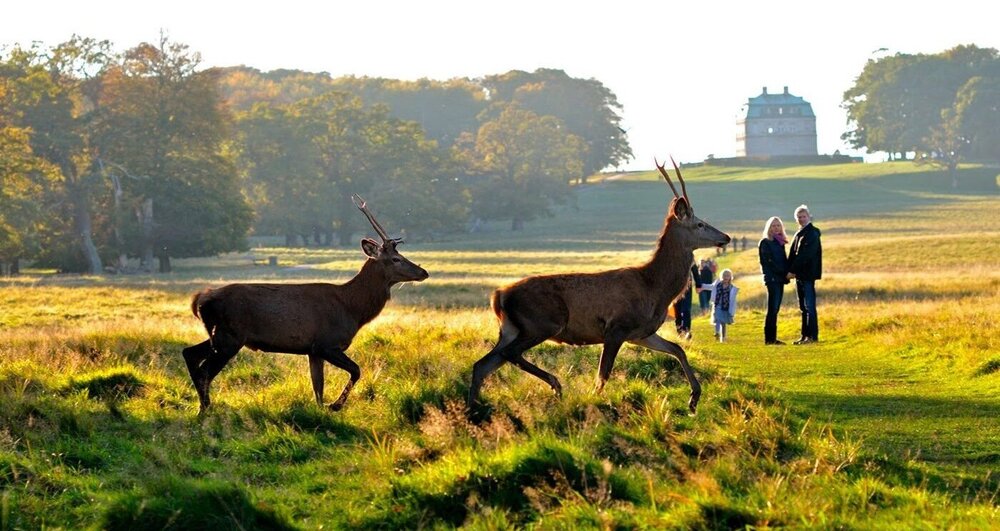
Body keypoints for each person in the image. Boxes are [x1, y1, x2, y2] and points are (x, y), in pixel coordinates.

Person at [787, 204, 822, 344]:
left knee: (809, 306)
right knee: (803, 307)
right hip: (800, 275)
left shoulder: (812, 233)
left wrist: (792, 270)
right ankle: (805, 336)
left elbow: (804, 255)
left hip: (807, 275)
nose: (801, 219)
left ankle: (812, 336)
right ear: (796, 219)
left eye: (804, 216)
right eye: (799, 217)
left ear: (809, 216)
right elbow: (793, 255)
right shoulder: (800, 233)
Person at [758, 216, 790, 345]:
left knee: (775, 309)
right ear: (769, 227)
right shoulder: (765, 242)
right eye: (773, 225)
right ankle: (769, 339)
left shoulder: (779, 242)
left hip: (780, 279)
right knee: (772, 308)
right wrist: (785, 273)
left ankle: (772, 338)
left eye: (778, 225)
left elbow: (783, 261)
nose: (776, 228)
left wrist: (789, 271)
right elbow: (769, 262)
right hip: (772, 279)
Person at [700, 269, 739, 342]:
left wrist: (732, 310)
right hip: (717, 305)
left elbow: (733, 300)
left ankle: (723, 338)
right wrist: (701, 286)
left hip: (725, 307)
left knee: (723, 323)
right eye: (724, 276)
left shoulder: (732, 288)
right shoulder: (717, 284)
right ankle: (717, 332)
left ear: (730, 277)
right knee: (717, 319)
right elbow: (710, 286)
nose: (726, 277)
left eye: (727, 276)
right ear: (721, 276)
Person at [672, 262, 701, 339]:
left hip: (687, 287)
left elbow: (694, 270)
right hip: (675, 288)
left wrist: (698, 284)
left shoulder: (688, 255)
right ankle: (679, 330)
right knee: (677, 311)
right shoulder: (671, 255)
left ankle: (686, 331)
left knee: (686, 310)